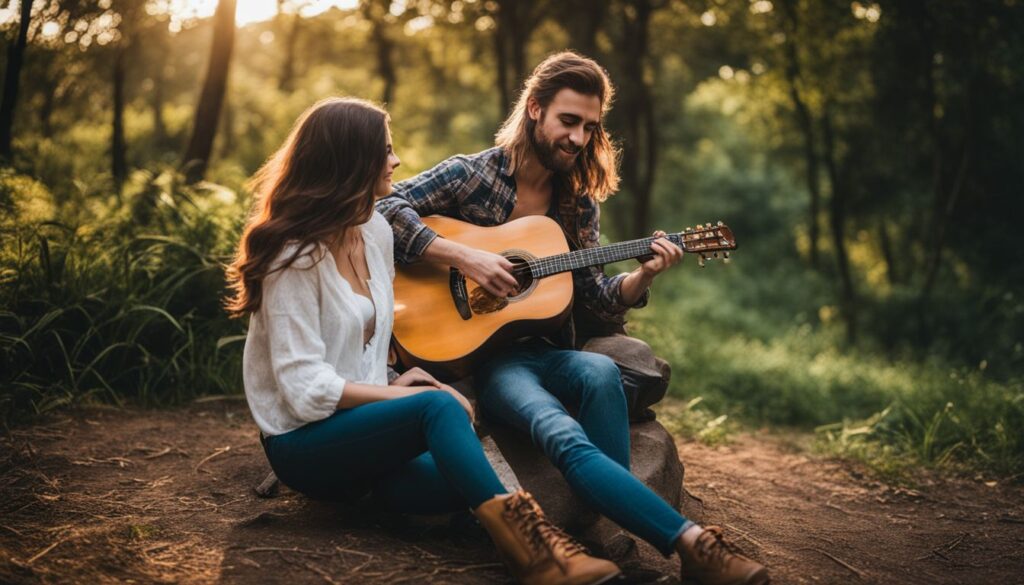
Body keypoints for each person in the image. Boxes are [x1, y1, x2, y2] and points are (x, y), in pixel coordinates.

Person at [377, 53, 770, 585]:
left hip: (545, 350)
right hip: (484, 360)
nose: (580, 138)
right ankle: (687, 544)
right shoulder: (470, 174)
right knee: (558, 427)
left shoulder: (577, 202)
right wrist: (464, 256)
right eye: (569, 121)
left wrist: (643, 278)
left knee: (603, 372)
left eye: (590, 126)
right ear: (535, 110)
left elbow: (594, 299)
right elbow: (381, 209)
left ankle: (607, 532)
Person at [226, 97, 622, 585]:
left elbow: (365, 342)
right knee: (438, 407)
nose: (396, 162)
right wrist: (399, 396)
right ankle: (535, 554)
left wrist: (394, 375)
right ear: (350, 160)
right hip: (303, 443)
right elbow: (304, 388)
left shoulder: (371, 231)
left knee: (459, 483)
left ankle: (380, 502)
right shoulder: (291, 256)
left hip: (363, 432)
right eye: (385, 152)